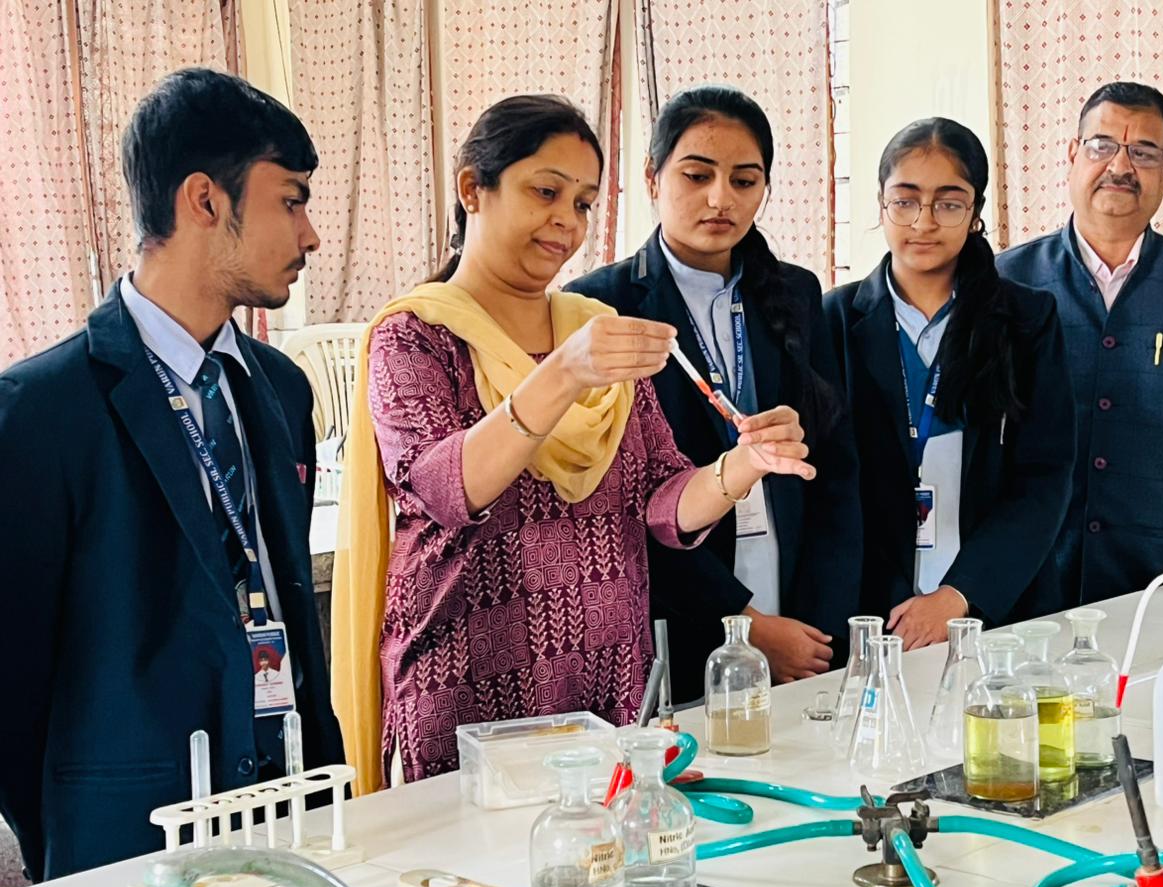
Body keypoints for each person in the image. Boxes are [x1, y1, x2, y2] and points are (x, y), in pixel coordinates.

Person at [331, 95, 816, 785]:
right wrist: (563, 373)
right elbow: (446, 488)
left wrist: (740, 467)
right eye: (546, 192)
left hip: (603, 688)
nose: (568, 220)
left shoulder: (590, 326)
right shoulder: (415, 336)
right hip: (467, 689)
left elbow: (660, 503)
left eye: (584, 203)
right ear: (472, 189)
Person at [0, 68, 343, 880]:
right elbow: (12, 677)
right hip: (130, 840)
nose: (310, 235)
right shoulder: (39, 411)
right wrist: (71, 833)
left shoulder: (279, 387)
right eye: (290, 201)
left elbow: (282, 593)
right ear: (204, 200)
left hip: (293, 803)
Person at [566, 85, 861, 699]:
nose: (721, 198)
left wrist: (818, 627)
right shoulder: (600, 306)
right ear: (652, 177)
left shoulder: (797, 294)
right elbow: (620, 504)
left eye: (744, 180)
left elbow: (834, 469)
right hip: (680, 621)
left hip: (800, 618)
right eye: (697, 175)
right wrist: (744, 627)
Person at [824, 118, 1076, 649]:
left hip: (998, 609)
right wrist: (895, 608)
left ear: (975, 212)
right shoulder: (834, 320)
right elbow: (832, 488)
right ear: (881, 204)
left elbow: (1044, 478)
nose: (924, 222)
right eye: (906, 200)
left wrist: (960, 596)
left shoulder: (1026, 320)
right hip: (871, 615)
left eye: (948, 203)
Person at [998, 82, 1163, 605]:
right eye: (1102, 145)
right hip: (1024, 582)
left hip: (1152, 582)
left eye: (1143, 152)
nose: (1120, 166)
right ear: (1073, 154)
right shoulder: (1007, 281)